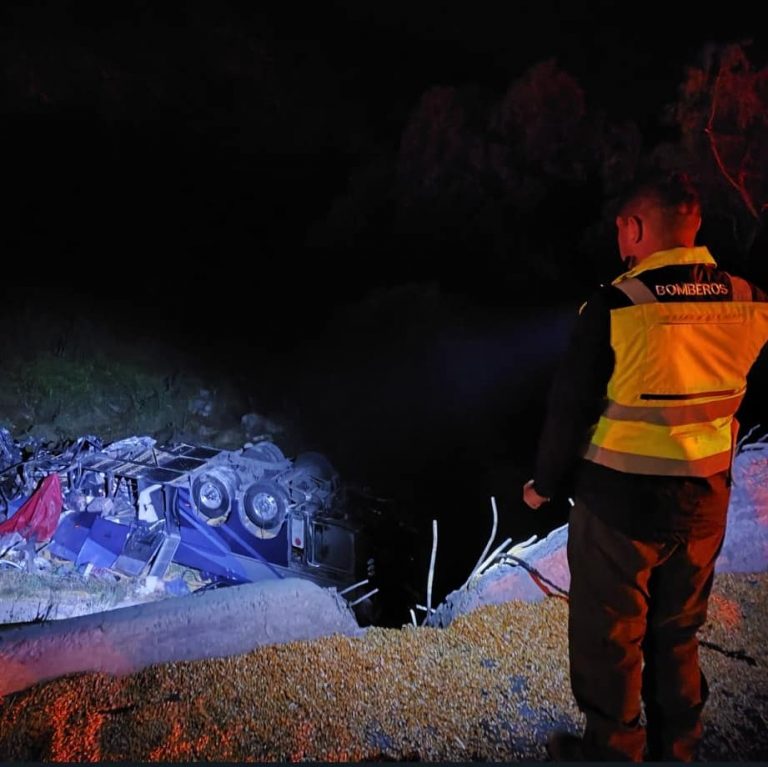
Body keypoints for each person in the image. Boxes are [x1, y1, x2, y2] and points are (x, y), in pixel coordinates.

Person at [522, 171, 768, 761]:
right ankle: (678, 748)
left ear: (634, 227)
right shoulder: (750, 302)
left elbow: (569, 411)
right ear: (694, 228)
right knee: (678, 633)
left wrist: (543, 487)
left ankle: (613, 752)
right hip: (704, 504)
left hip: (620, 509)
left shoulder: (615, 307)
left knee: (610, 638)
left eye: (621, 231)